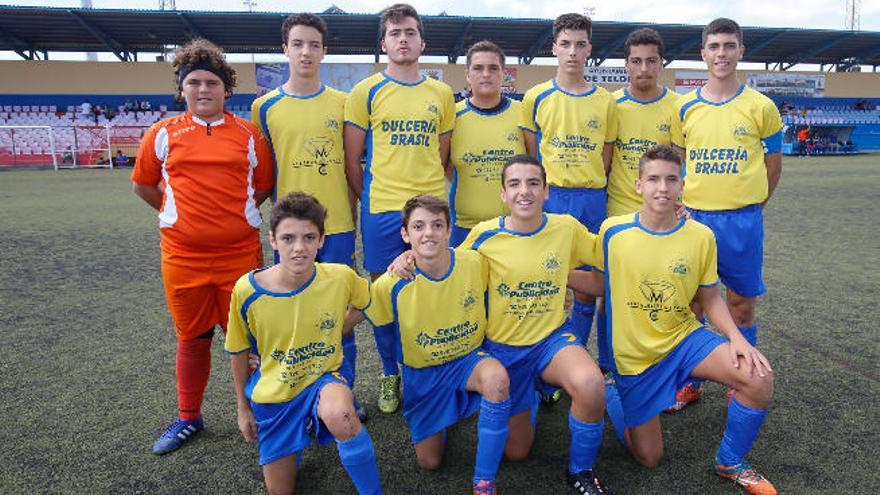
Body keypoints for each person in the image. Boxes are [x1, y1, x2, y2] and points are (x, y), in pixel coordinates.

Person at [594, 145, 776, 495]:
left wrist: (739, 340)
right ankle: (612, 394)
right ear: (638, 185)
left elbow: (709, 298)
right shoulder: (612, 231)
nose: (662, 187)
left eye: (670, 179)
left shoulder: (700, 235)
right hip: (637, 359)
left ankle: (730, 461)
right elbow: (599, 282)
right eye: (653, 179)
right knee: (648, 458)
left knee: (759, 378)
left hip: (684, 340)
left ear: (682, 186)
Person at [131, 39, 275, 455]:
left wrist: (231, 218)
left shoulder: (248, 134)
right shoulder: (161, 134)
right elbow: (143, 185)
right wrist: (178, 216)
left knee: (247, 339)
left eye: (212, 82)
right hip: (183, 258)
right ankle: (188, 417)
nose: (203, 89)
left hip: (240, 257)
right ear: (182, 89)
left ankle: (259, 413)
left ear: (226, 89)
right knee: (191, 339)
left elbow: (262, 185)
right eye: (194, 82)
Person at [464, 155, 610, 494]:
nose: (524, 191)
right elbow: (449, 272)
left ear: (546, 191)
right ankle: (530, 393)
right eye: (514, 184)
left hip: (551, 341)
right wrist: (407, 257)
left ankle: (581, 471)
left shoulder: (566, 227)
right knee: (517, 452)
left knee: (590, 384)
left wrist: (665, 220)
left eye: (533, 183)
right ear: (502, 194)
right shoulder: (484, 236)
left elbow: (611, 253)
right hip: (504, 349)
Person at [226, 193, 382, 495]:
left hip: (323, 378)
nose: (299, 248)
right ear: (272, 240)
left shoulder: (340, 277)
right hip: (276, 392)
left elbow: (371, 300)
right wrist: (242, 409)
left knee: (343, 415)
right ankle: (299, 432)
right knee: (281, 490)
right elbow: (237, 349)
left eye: (309, 237)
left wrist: (339, 327)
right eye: (288, 238)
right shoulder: (247, 290)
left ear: (322, 240)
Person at [250, 12, 365, 421]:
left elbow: (353, 165)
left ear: (324, 51)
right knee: (295, 313)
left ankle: (343, 396)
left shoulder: (343, 102)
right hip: (291, 233)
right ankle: (298, 394)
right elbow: (264, 173)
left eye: (313, 45)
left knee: (340, 312)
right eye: (297, 44)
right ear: (285, 49)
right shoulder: (264, 107)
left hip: (335, 228)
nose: (305, 52)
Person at [344, 3, 456, 414]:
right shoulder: (366, 91)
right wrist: (373, 200)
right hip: (382, 209)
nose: (403, 39)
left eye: (410, 32)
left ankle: (429, 369)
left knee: (431, 291)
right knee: (383, 295)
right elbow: (352, 159)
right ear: (384, 43)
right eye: (395, 33)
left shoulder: (441, 94)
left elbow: (441, 155)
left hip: (427, 207)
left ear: (422, 41)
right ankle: (390, 373)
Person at [364, 195, 510, 495]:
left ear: (448, 230)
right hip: (423, 376)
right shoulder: (389, 284)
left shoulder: (474, 261)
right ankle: (447, 410)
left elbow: (515, 265)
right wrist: (392, 370)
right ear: (406, 234)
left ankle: (484, 483)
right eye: (418, 226)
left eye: (436, 225)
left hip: (468, 361)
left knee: (496, 379)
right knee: (429, 462)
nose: (428, 233)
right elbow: (381, 332)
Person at [672, 18, 783, 364]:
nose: (722, 54)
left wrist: (753, 204)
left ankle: (743, 373)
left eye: (729, 46)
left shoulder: (761, 107)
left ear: (740, 51)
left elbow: (774, 166)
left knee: (741, 306)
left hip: (741, 221)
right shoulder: (684, 106)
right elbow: (678, 163)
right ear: (703, 53)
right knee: (691, 304)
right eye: (715, 47)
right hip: (694, 219)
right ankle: (693, 379)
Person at [607, 28, 703, 413]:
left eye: (651, 60)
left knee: (680, 295)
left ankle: (685, 378)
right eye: (635, 60)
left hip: (668, 217)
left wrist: (684, 202)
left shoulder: (679, 107)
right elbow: (606, 159)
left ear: (661, 63)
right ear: (626, 64)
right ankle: (612, 367)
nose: (643, 67)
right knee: (613, 298)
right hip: (620, 213)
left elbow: (684, 163)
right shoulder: (611, 106)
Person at [519, 13, 618, 354]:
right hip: (552, 198)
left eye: (579, 44)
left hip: (590, 198)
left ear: (589, 48)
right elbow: (532, 153)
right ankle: (548, 359)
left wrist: (586, 180)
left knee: (589, 284)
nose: (572, 52)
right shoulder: (536, 96)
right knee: (547, 278)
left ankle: (580, 355)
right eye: (565, 44)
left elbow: (605, 155)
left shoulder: (606, 101)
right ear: (554, 49)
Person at [449, 40, 525, 247]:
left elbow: (535, 163)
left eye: (493, 68)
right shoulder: (452, 116)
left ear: (503, 74)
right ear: (468, 74)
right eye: (478, 68)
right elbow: (444, 166)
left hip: (514, 225)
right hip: (464, 227)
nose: (485, 74)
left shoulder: (523, 113)